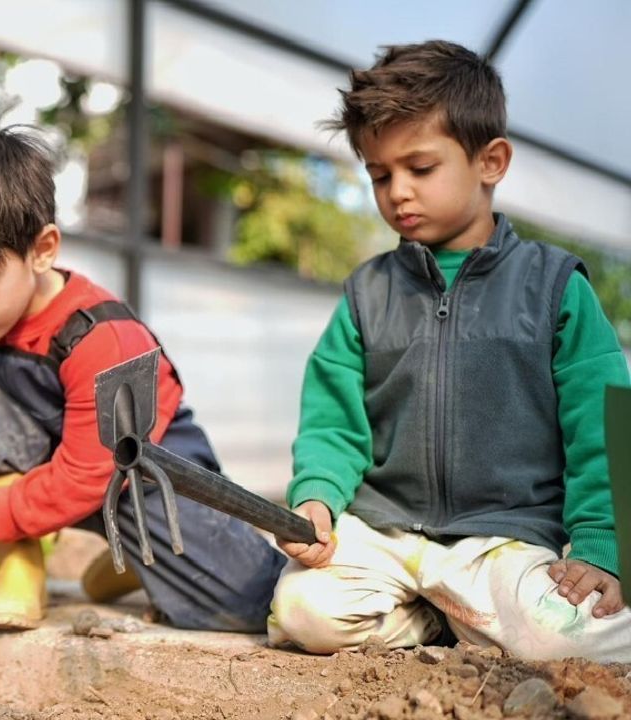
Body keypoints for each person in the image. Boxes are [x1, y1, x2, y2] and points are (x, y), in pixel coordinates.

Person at [268, 41, 631, 662]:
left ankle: (462, 616)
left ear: (491, 161)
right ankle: (447, 623)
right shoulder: (366, 293)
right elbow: (333, 422)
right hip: (384, 534)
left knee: (577, 634)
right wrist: (317, 499)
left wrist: (602, 545)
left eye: (420, 168)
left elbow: (603, 423)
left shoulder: (553, 287)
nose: (397, 193)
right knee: (302, 613)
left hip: (503, 542)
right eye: (380, 175)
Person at [0, 123, 286, 632]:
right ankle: (19, 564)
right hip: (52, 471)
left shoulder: (102, 338)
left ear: (43, 249)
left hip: (142, 477)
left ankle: (133, 563)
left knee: (251, 604)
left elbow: (88, 474)